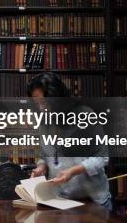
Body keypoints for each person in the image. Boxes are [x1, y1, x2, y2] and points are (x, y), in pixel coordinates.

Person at [27, 72, 112, 210]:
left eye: (43, 102)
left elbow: (102, 157)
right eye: (37, 103)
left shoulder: (85, 115)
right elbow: (44, 155)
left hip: (92, 200)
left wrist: (74, 170)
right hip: (60, 200)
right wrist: (41, 167)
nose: (40, 108)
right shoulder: (44, 121)